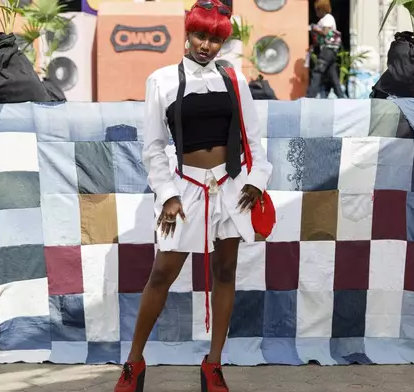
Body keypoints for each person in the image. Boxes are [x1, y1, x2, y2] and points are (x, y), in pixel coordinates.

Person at [113, 1, 272, 391]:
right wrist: (167, 194)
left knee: (226, 272)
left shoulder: (232, 79)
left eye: (215, 39)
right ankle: (134, 363)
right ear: (187, 34)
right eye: (201, 36)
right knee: (162, 274)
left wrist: (256, 180)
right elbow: (153, 147)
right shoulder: (162, 80)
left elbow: (253, 139)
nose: (206, 45)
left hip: (230, 188)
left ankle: (213, 365)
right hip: (185, 189)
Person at [305, 0, 345, 99]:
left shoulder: (327, 18)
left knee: (317, 72)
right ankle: (342, 97)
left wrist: (314, 28)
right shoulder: (325, 19)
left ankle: (310, 97)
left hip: (327, 51)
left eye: (317, 10)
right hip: (330, 51)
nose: (316, 12)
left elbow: (326, 33)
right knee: (333, 76)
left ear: (322, 9)